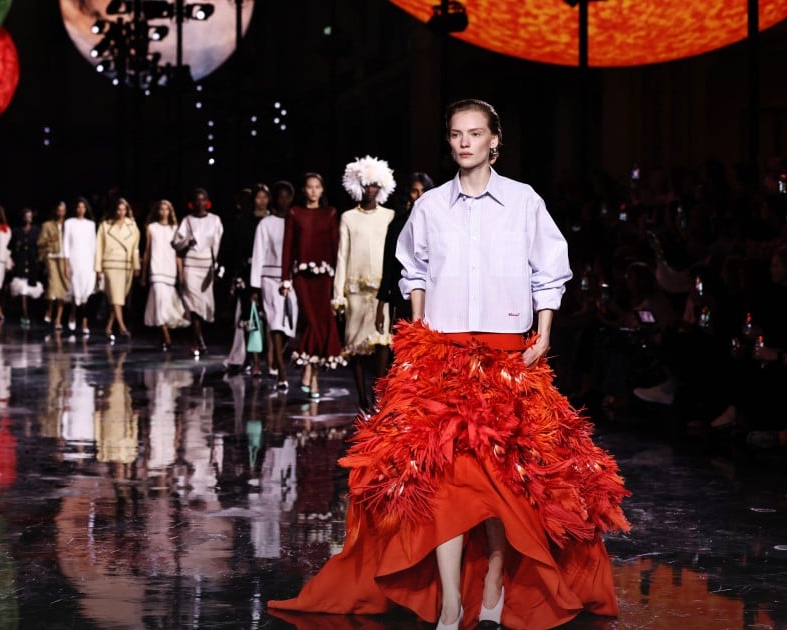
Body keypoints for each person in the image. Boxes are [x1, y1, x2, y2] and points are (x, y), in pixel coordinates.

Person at [269, 99, 630, 630]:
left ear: (494, 141)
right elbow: (412, 268)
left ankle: (491, 589)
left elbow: (550, 270)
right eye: (456, 133)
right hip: (442, 357)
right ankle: (451, 604)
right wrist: (418, 332)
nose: (464, 142)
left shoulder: (524, 202)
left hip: (508, 355)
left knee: (506, 489)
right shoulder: (430, 207)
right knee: (443, 486)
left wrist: (545, 332)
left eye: (475, 133)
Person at [334, 156, 397, 415]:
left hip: (382, 290)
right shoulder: (348, 217)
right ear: (358, 186)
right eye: (366, 184)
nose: (370, 189)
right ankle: (361, 399)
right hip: (356, 290)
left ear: (381, 186)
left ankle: (377, 394)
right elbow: (342, 255)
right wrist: (337, 294)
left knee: (382, 343)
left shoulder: (390, 216)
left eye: (374, 184)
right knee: (357, 346)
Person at [280, 173, 343, 400]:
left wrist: (339, 282)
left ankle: (311, 374)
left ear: (322, 190)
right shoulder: (295, 213)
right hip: (302, 277)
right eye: (310, 187)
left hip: (325, 276)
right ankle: (310, 373)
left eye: (317, 187)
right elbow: (288, 247)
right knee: (312, 322)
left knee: (322, 321)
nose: (314, 191)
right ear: (304, 190)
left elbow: (336, 247)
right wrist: (284, 278)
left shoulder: (330, 213)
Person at [375, 171, 434, 378]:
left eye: (424, 191)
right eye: (414, 191)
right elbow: (389, 265)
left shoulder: (439, 224)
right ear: (407, 194)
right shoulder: (398, 224)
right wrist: (382, 302)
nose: (419, 196)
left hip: (434, 295)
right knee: (405, 348)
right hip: (403, 296)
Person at [251, 181, 298, 391]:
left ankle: (279, 360)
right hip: (269, 278)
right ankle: (281, 371)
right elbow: (259, 253)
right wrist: (255, 288)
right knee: (276, 325)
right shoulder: (266, 223)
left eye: (288, 196)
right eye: (280, 196)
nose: (284, 200)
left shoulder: (297, 220)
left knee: (289, 326)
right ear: (275, 199)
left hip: (293, 279)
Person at [172, 188, 223, 357]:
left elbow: (217, 244)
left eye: (203, 200)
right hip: (191, 264)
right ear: (192, 203)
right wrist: (187, 241)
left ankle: (196, 340)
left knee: (203, 305)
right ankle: (198, 340)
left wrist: (216, 266)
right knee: (192, 304)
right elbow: (176, 243)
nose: (200, 203)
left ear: (207, 201)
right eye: (197, 200)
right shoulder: (187, 220)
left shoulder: (215, 220)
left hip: (206, 265)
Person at [223, 186, 268, 374]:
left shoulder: (274, 220)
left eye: (265, 197)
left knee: (270, 319)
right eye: (259, 197)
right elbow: (237, 251)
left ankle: (271, 361)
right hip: (248, 273)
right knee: (251, 318)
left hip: (270, 273)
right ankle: (255, 360)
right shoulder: (244, 222)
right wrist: (238, 276)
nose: (262, 200)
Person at [142, 200, 188, 351]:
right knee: (159, 299)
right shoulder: (151, 228)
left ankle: (163, 334)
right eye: (161, 209)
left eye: (166, 209)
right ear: (157, 211)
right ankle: (167, 337)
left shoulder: (175, 229)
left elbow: (178, 254)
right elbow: (147, 251)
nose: (163, 212)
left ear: (170, 211)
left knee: (165, 303)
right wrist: (143, 274)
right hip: (156, 269)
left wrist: (180, 272)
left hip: (169, 270)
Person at [95, 198, 141, 340]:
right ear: (114, 210)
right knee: (116, 297)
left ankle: (109, 327)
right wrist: (98, 269)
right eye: (118, 209)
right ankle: (122, 327)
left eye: (124, 209)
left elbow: (135, 248)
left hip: (126, 265)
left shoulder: (132, 226)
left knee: (119, 298)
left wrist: (136, 265)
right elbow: (99, 248)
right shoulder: (104, 226)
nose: (121, 212)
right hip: (110, 264)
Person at [63, 198, 97, 336]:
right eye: (78, 207)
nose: (81, 209)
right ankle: (72, 314)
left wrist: (96, 264)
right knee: (75, 290)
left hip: (88, 261)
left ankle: (84, 322)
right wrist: (66, 264)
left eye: (83, 207)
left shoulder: (91, 224)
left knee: (86, 293)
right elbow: (65, 243)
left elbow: (93, 244)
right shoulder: (69, 223)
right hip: (74, 260)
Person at [39, 202, 69, 331]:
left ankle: (58, 318)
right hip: (52, 257)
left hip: (65, 258)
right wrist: (50, 240)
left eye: (63, 210)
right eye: (59, 210)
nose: (60, 213)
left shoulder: (69, 225)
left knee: (63, 288)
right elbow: (40, 242)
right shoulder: (47, 225)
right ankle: (50, 309)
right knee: (52, 286)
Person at [9, 207, 42, 326]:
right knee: (22, 289)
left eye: (30, 216)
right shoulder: (16, 231)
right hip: (20, 261)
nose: (28, 218)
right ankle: (24, 314)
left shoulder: (37, 231)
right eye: (26, 216)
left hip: (32, 261)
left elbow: (40, 246)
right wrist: (16, 248)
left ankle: (32, 313)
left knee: (31, 290)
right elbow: (10, 247)